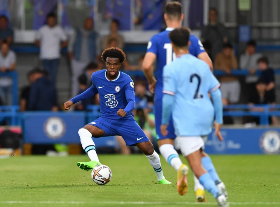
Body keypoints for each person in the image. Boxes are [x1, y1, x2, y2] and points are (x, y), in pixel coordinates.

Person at [64, 47, 171, 184]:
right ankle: (94, 161)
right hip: (106, 120)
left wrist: (125, 110)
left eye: (115, 64)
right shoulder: (97, 76)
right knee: (83, 131)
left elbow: (132, 101)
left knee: (149, 149)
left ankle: (161, 178)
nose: (112, 67)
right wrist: (72, 101)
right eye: (109, 63)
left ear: (120, 64)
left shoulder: (126, 80)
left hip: (125, 121)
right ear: (105, 63)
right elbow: (92, 91)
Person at [142, 1, 213, 201]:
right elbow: (207, 64)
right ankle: (200, 189)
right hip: (187, 97)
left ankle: (178, 166)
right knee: (195, 145)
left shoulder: (157, 38)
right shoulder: (191, 39)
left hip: (164, 94)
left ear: (165, 17)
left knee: (165, 140)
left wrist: (151, 81)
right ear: (182, 17)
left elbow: (147, 64)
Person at [161, 27, 228, 207]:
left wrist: (164, 123)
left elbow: (167, 100)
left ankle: (219, 196)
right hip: (205, 115)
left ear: (173, 46)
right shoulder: (202, 65)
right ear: (189, 44)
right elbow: (216, 93)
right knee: (200, 152)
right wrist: (219, 121)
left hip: (187, 119)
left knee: (195, 165)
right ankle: (219, 183)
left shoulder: (171, 68)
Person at [69, 17, 98, 97]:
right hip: (77, 60)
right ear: (84, 23)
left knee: (90, 81)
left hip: (90, 62)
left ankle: (87, 100)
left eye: (91, 23)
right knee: (76, 80)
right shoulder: (77, 32)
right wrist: (72, 57)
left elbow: (97, 47)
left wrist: (96, 61)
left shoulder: (94, 34)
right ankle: (74, 100)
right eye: (88, 23)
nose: (90, 25)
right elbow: (71, 45)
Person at [35, 13, 68, 85]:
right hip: (45, 57)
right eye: (50, 20)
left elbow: (65, 41)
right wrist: (43, 46)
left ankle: (52, 94)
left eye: (53, 20)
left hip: (55, 57)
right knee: (46, 76)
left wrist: (60, 47)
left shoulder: (59, 30)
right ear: (47, 20)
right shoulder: (42, 29)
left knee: (53, 77)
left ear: (55, 20)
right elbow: (36, 40)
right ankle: (46, 94)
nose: (51, 22)